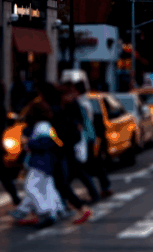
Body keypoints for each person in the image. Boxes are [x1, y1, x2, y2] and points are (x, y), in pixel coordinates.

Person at [10, 101, 66, 228]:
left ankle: (44, 210)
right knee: (47, 187)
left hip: (40, 162)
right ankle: (54, 211)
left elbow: (45, 143)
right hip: (46, 162)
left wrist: (29, 143)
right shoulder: (46, 126)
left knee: (30, 186)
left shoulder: (42, 127)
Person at [51, 84, 93, 224]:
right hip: (63, 149)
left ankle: (78, 207)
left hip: (62, 150)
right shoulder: (59, 110)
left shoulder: (63, 110)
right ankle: (65, 207)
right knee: (59, 182)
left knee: (60, 183)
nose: (72, 98)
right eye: (69, 95)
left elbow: (64, 132)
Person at [77, 82, 113, 200]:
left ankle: (100, 189)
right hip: (91, 136)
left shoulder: (81, 104)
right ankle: (104, 187)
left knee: (88, 165)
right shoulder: (87, 102)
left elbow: (84, 122)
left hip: (85, 138)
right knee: (94, 163)